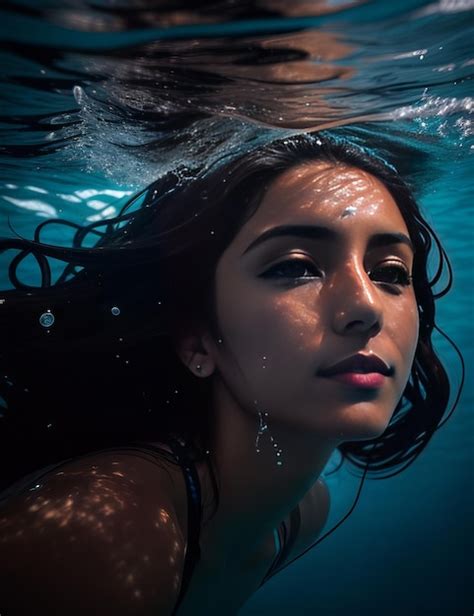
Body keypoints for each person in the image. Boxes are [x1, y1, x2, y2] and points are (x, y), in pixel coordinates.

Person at [0, 133, 456, 615]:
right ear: (196, 340)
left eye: (390, 272)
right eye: (295, 267)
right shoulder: (99, 536)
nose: (366, 307)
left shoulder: (297, 518)